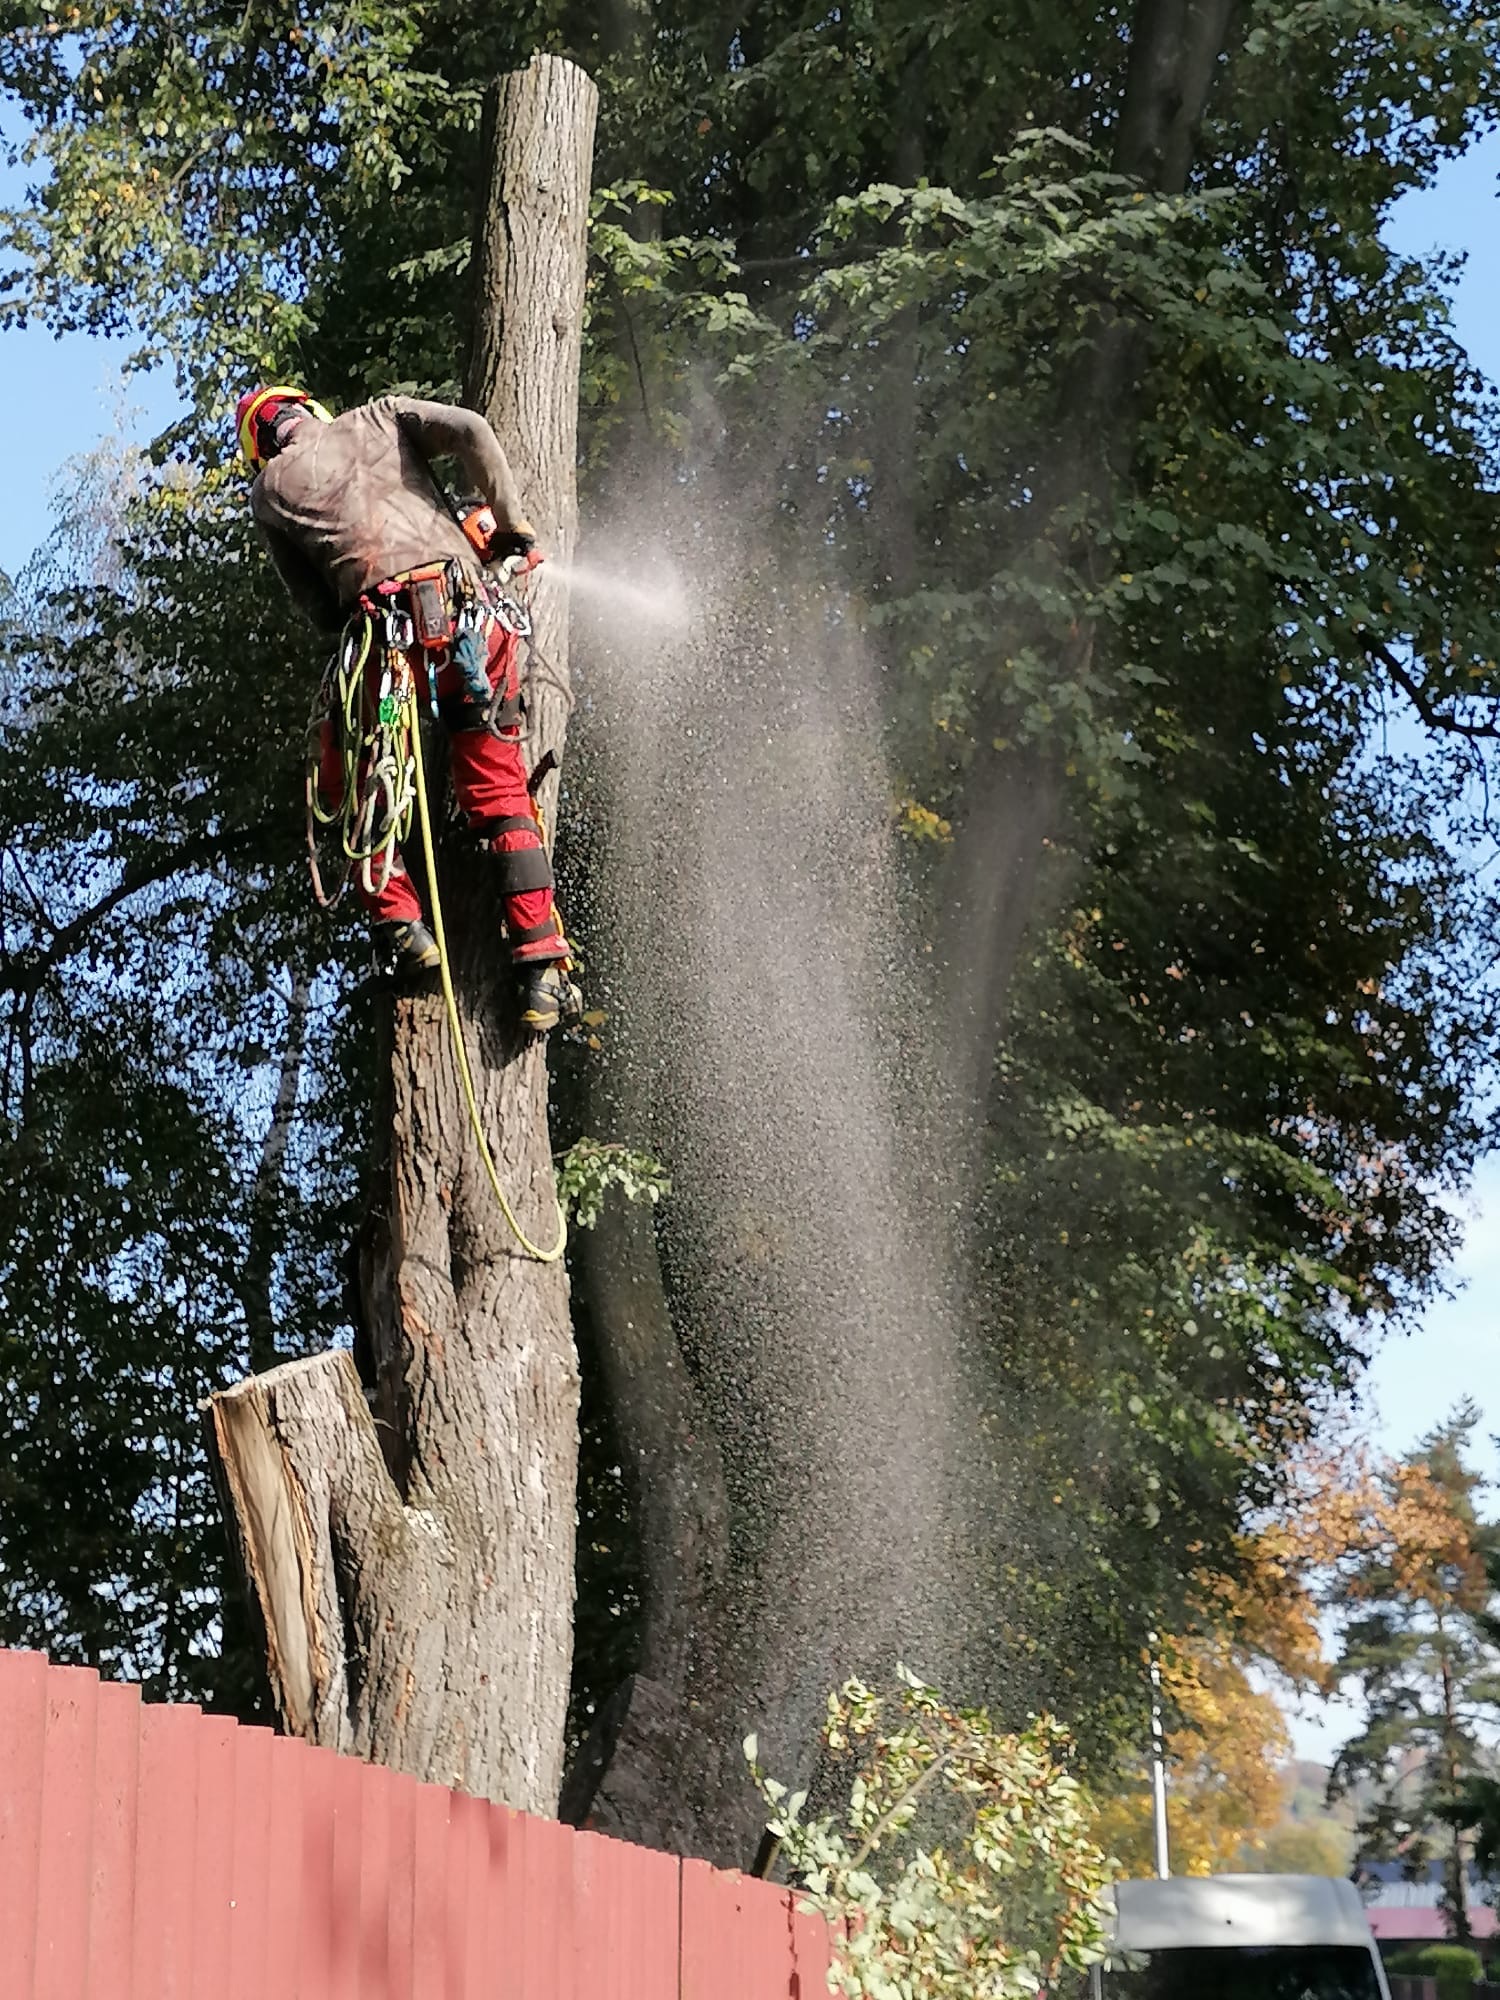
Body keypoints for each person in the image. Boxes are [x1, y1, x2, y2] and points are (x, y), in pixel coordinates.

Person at [236, 383, 578, 1032]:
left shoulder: (269, 490)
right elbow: (473, 428)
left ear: (263, 445)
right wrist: (511, 529)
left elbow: (318, 611)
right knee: (500, 789)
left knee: (355, 791)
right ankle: (539, 972)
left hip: (387, 653)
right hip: (475, 622)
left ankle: (404, 930)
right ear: (310, 408)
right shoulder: (382, 414)